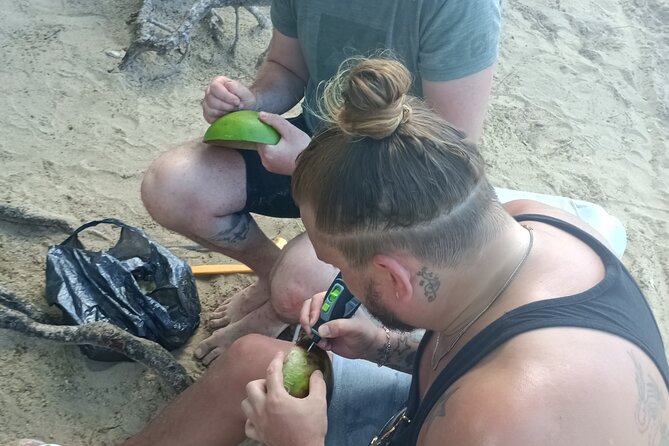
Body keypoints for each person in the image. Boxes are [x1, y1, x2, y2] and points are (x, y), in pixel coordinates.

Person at [122, 58, 668, 446]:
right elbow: (476, 346)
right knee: (253, 362)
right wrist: (386, 345)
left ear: (394, 276)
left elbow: (486, 404)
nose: (334, 281)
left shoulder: (492, 420)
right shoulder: (534, 222)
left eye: (337, 267)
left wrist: (299, 443)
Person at [140, 0, 504, 364]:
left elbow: (446, 162)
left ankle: (272, 314)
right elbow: (285, 68)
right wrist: (252, 101)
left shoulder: (460, 7)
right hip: (310, 142)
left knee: (298, 288)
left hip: (394, 184)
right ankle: (271, 278)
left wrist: (309, 163)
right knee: (171, 185)